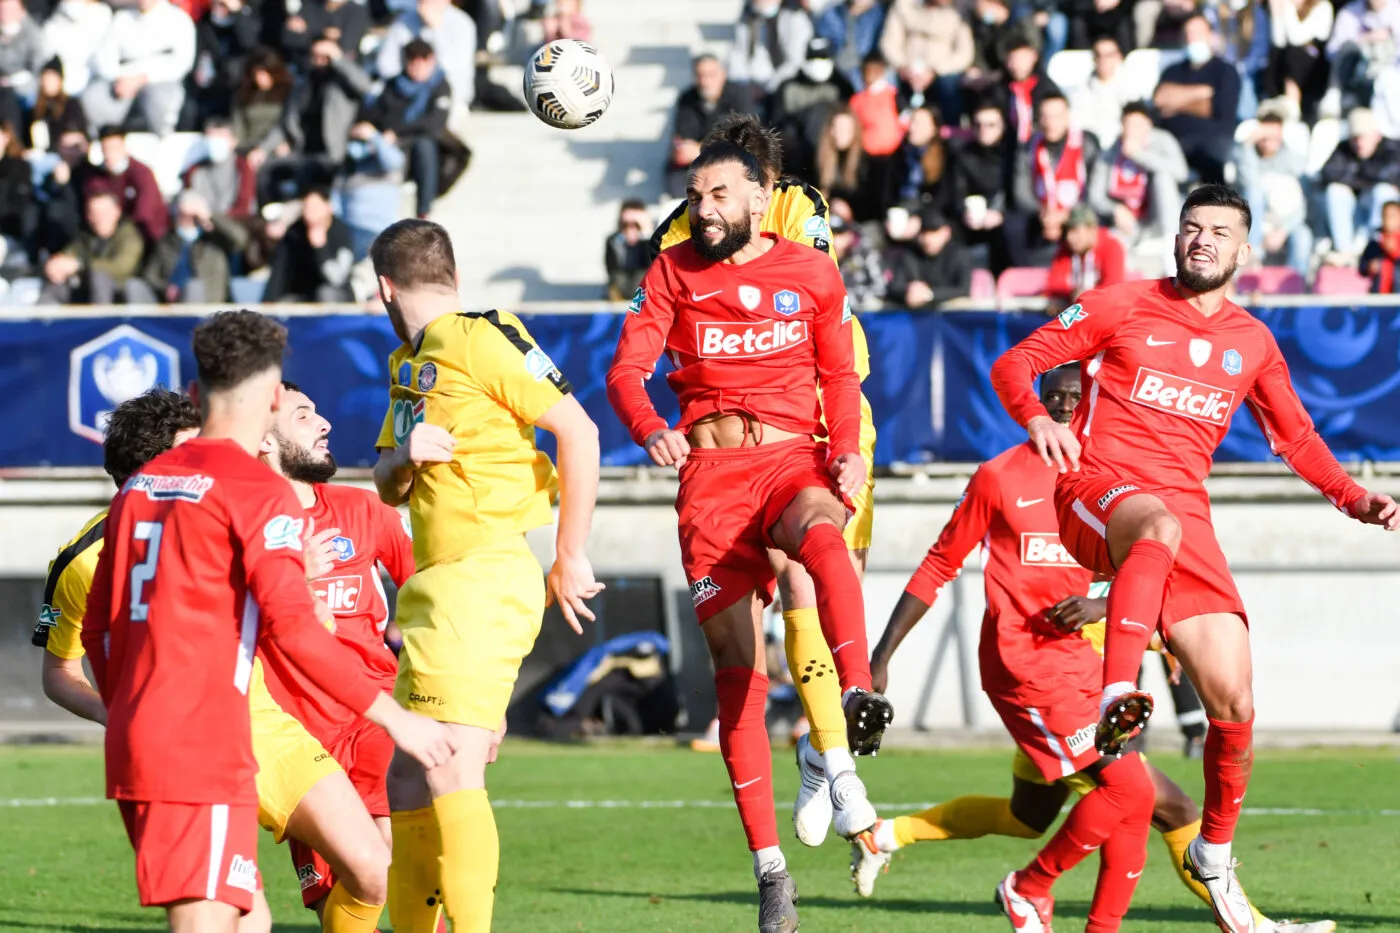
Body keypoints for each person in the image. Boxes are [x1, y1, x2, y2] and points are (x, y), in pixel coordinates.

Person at [988, 184, 1399, 933]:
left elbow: (1297, 438)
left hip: (1185, 519)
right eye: (1191, 227)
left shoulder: (1252, 341)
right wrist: (1036, 420)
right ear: (1174, 239)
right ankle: (1120, 696)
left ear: (1245, 250)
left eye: (1218, 232)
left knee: (1235, 703)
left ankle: (1214, 851)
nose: (1202, 240)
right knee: (1154, 525)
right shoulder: (1119, 303)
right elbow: (1018, 361)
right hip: (1096, 490)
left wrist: (1353, 498)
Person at [853, 365, 1337, 933]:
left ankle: (888, 835)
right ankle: (1036, 890)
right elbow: (939, 564)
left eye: (1073, 398)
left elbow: (1149, 571)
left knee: (1030, 815)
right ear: (1034, 405)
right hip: (1028, 671)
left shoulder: (1112, 482)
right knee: (1147, 798)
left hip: (1089, 667)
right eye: (1052, 397)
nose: (1062, 408)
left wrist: (1142, 625)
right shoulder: (1000, 476)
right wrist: (881, 655)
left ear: (1094, 405)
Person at [80, 309, 456, 932]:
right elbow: (294, 630)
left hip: (155, 736)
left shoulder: (144, 485)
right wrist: (398, 719)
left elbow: (101, 624)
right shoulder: (257, 491)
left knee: (245, 919)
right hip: (201, 739)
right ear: (276, 393)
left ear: (198, 394)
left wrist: (131, 706)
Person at [609, 142, 892, 933]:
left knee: (823, 539)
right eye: (696, 195)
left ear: (762, 197)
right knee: (739, 674)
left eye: (720, 194)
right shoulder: (671, 272)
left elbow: (839, 372)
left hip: (787, 460)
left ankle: (859, 691)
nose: (704, 209)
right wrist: (648, 428)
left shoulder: (810, 270)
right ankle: (771, 870)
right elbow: (625, 369)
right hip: (708, 483)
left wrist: (846, 451)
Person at [369, 218, 603, 933]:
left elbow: (579, 430)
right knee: (406, 774)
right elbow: (384, 481)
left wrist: (570, 551)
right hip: (436, 587)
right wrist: (406, 453)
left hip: (483, 574)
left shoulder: (482, 334)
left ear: (382, 287)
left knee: (447, 767)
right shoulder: (410, 362)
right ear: (452, 275)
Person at [258, 382, 419, 928]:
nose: (325, 424)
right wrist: (292, 579)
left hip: (373, 712)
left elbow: (427, 591)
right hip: (292, 737)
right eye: (305, 416)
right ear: (263, 437)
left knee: (402, 854)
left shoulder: (363, 508)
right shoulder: (239, 527)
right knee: (346, 896)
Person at [33, 389, 202, 726]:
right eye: (193, 456)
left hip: (265, 725)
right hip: (169, 739)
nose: (213, 465)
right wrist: (113, 714)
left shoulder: (240, 521)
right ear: (153, 471)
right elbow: (59, 670)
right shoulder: (84, 561)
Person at [364, 38, 452, 220]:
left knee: (425, 146)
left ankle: (423, 210)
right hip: (393, 146)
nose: (418, 66)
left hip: (420, 147)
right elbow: (379, 117)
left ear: (432, 60)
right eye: (413, 60)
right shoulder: (392, 86)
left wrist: (397, 132)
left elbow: (434, 124)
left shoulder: (440, 87)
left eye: (423, 60)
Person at [82, 0, 196, 137]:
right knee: (94, 97)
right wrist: (121, 78)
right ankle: (106, 143)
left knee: (159, 100)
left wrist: (143, 78)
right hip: (122, 81)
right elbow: (104, 58)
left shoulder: (179, 19)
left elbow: (183, 62)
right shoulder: (122, 18)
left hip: (160, 82)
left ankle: (162, 142)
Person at [1152, 15, 1240, 185]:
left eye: (1197, 33)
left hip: (1211, 142)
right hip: (1173, 141)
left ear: (1210, 35)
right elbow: (1160, 100)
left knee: (1212, 159)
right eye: (1188, 33)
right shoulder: (1172, 71)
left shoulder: (1225, 71)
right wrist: (1202, 93)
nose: (1192, 38)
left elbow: (1222, 109)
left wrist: (1177, 103)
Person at [667, 53, 752, 198]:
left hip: (732, 162)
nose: (705, 81)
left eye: (711, 74)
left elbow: (744, 135)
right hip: (696, 165)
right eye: (700, 75)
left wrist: (702, 149)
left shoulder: (739, 95)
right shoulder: (687, 98)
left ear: (723, 74)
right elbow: (683, 141)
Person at [1320, 107, 1400, 259]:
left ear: (1376, 135)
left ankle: (1375, 248)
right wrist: (1363, 181)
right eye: (1355, 138)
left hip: (1377, 214)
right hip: (1355, 209)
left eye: (1363, 137)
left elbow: (1389, 176)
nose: (1359, 143)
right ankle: (1344, 252)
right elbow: (1328, 173)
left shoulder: (1391, 149)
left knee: (1383, 192)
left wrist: (1358, 180)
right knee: (1335, 191)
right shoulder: (1343, 149)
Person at [40, 191, 145, 304]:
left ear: (116, 212)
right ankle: (39, 320)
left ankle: (100, 321)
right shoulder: (86, 236)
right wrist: (56, 264)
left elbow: (121, 268)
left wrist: (79, 265)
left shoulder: (130, 237)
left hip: (120, 292)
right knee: (55, 284)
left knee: (99, 278)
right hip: (85, 290)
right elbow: (71, 253)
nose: (98, 218)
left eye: (104, 213)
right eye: (94, 213)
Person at [262, 187, 356, 303]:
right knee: (286, 301)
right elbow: (281, 270)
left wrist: (321, 248)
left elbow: (337, 279)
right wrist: (268, 302)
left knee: (325, 293)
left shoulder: (341, 232)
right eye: (306, 208)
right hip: (304, 296)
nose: (310, 213)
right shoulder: (295, 232)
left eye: (315, 208)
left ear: (328, 207)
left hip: (337, 298)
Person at [1045, 204, 1126, 306]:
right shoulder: (1066, 249)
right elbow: (1054, 284)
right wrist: (1072, 293)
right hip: (1074, 310)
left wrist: (1086, 295)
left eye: (1075, 231)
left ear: (1091, 230)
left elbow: (1113, 287)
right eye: (1068, 231)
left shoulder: (1112, 247)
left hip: (1105, 309)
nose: (1070, 237)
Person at [604, 198, 650, 300]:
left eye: (635, 224)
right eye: (625, 224)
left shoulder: (651, 241)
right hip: (621, 290)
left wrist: (645, 237)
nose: (630, 229)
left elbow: (652, 266)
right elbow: (612, 270)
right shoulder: (614, 241)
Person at [1360, 200, 1400, 292]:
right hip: (1379, 296)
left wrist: (1395, 253)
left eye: (1392, 216)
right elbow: (1362, 267)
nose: (1388, 219)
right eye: (1385, 215)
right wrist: (1369, 267)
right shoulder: (1375, 241)